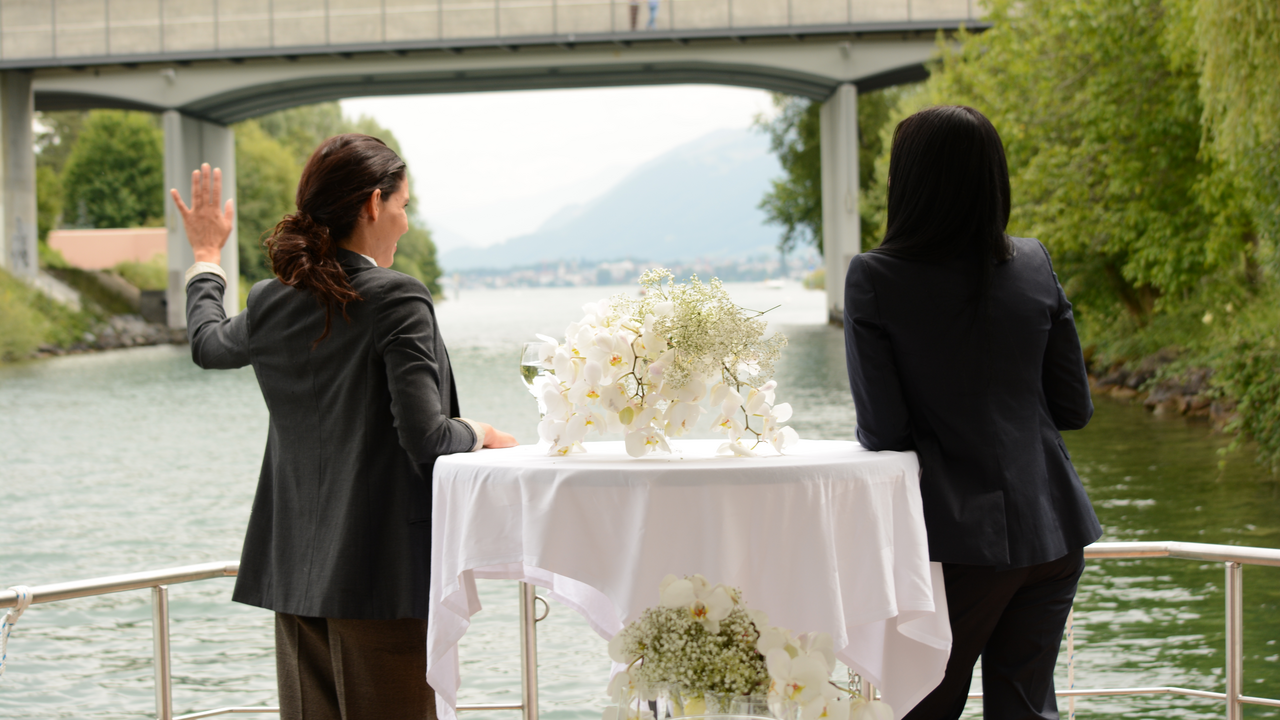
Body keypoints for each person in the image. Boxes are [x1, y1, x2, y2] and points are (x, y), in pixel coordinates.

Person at [172, 134, 517, 720]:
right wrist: (479, 429)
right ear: (373, 205)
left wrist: (207, 256)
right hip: (379, 579)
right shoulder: (398, 297)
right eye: (404, 206)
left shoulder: (274, 300)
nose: (405, 224)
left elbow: (207, 344)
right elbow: (428, 440)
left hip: (295, 582)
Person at [843, 106, 1100, 720]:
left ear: (910, 182)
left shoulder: (875, 278)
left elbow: (884, 431)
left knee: (924, 709)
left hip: (955, 543)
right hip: (1054, 528)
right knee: (1027, 711)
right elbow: (1073, 407)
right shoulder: (1033, 262)